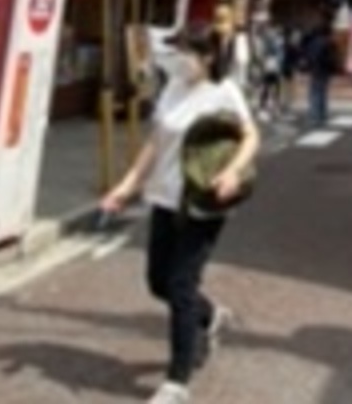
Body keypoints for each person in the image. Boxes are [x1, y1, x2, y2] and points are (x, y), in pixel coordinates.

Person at [101, 22, 259, 404]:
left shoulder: (223, 91)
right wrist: (127, 185)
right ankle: (210, 315)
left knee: (181, 285)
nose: (179, 60)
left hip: (202, 200)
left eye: (186, 52)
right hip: (164, 196)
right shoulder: (173, 87)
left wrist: (232, 172)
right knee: (158, 281)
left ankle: (176, 382)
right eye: (176, 51)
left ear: (207, 56)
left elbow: (251, 135)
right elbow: (156, 142)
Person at [304, 9, 337, 127]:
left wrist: (309, 65)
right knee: (322, 92)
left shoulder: (315, 43)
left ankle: (315, 115)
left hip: (317, 69)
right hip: (324, 70)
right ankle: (322, 114)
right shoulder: (328, 43)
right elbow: (331, 57)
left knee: (315, 93)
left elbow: (311, 56)